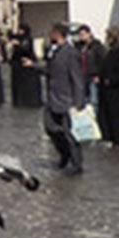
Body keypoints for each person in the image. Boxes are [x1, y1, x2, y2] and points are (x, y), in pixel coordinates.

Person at [42, 23, 86, 175]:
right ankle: (64, 154)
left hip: (67, 99)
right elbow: (50, 70)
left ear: (57, 33)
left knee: (70, 133)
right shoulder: (54, 50)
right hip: (53, 97)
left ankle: (76, 163)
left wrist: (78, 102)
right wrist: (33, 65)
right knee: (50, 128)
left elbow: (77, 78)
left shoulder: (70, 53)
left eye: (52, 33)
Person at [8, 25, 43, 109]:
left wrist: (18, 45)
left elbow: (26, 49)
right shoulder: (20, 39)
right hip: (18, 67)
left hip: (27, 68)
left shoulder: (27, 40)